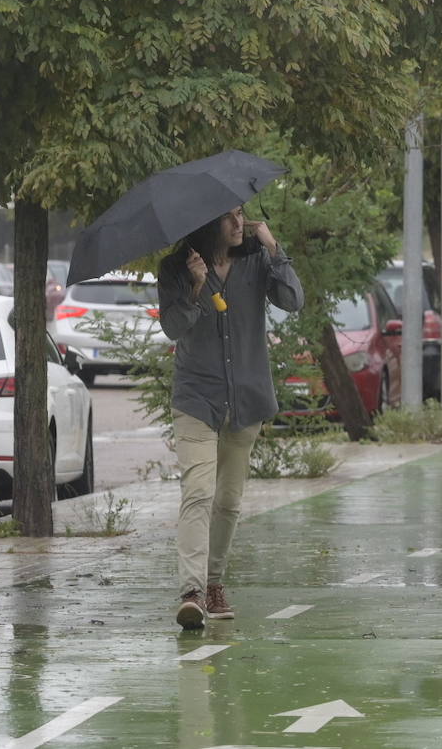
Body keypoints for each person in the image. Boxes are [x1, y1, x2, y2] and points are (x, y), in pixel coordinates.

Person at [158, 205, 303, 629]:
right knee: (199, 492)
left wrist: (274, 247)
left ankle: (215, 581)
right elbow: (173, 326)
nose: (240, 224)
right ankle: (191, 592)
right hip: (197, 397)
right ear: (207, 223)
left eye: (242, 215)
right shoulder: (177, 268)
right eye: (229, 217)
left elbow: (292, 300)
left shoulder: (257, 259)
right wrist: (195, 288)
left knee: (229, 501)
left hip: (246, 396)